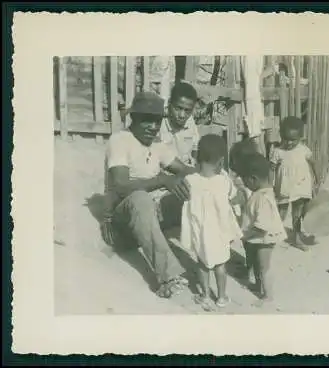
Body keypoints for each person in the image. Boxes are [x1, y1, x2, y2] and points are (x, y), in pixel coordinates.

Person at [101, 91, 197, 299]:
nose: (152, 127)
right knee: (140, 198)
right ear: (133, 118)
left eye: (156, 121)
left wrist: (215, 174)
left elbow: (183, 169)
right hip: (124, 223)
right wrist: (162, 180)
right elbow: (120, 186)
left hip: (150, 219)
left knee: (192, 188)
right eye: (146, 121)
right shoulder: (120, 140)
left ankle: (212, 261)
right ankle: (169, 277)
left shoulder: (157, 145)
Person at [180, 134, 243, 311]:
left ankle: (205, 296)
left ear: (197, 158)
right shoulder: (224, 181)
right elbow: (235, 199)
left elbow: (185, 205)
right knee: (220, 265)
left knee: (202, 264)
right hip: (219, 233)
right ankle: (221, 297)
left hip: (200, 232)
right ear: (221, 162)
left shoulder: (190, 181)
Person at [239, 153, 287, 305]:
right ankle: (258, 286)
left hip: (264, 238)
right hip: (257, 237)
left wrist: (245, 233)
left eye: (245, 181)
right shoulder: (260, 193)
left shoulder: (263, 198)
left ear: (253, 179)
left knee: (263, 266)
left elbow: (263, 226)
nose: (244, 184)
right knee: (256, 263)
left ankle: (267, 295)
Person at [269, 116, 320, 251]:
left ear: (300, 138)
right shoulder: (277, 152)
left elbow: (313, 163)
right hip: (284, 188)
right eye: (286, 139)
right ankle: (272, 235)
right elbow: (272, 169)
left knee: (297, 214)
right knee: (281, 213)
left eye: (293, 140)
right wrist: (269, 186)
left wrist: (316, 179)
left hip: (300, 187)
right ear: (281, 135)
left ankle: (297, 238)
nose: (289, 142)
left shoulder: (304, 150)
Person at [159, 82, 201, 167]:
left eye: (187, 110)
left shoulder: (190, 121)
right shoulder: (158, 122)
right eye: (178, 108)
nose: (182, 115)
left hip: (185, 171)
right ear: (170, 103)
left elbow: (195, 147)